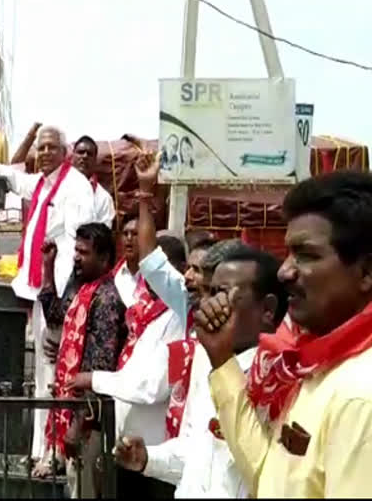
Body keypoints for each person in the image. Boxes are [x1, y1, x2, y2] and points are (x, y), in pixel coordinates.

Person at [197, 171, 372, 497]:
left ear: (366, 272)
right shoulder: (315, 364)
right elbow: (271, 481)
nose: (284, 271)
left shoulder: (360, 394)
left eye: (306, 255)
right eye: (289, 253)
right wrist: (221, 359)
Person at [116, 247, 287, 498]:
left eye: (220, 294)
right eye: (206, 292)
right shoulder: (209, 362)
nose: (205, 304)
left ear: (267, 310)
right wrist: (148, 458)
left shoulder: (282, 379)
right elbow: (197, 451)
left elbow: (265, 472)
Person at [0, 126, 96, 462]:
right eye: (41, 148)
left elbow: (80, 247)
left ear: (64, 152)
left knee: (56, 374)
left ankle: (56, 452)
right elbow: (17, 180)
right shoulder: (43, 182)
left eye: (52, 148)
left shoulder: (76, 187)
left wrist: (65, 300)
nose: (44, 153)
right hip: (43, 292)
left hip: (60, 296)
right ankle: (41, 448)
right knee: (43, 373)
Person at [69, 235, 187, 498]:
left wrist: (94, 379)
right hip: (129, 451)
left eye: (157, 270)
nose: (150, 278)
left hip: (154, 455)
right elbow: (130, 374)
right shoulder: (152, 316)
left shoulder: (181, 323)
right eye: (147, 271)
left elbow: (152, 386)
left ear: (177, 270)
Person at [36, 223, 127, 495]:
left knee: (85, 489)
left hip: (90, 421)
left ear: (104, 259)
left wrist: (79, 423)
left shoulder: (107, 298)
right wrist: (48, 267)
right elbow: (55, 315)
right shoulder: (81, 286)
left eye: (84, 252)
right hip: (71, 408)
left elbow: (99, 367)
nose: (76, 257)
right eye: (75, 250)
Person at [133, 151, 216, 321]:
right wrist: (145, 189)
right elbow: (150, 259)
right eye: (188, 269)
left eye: (198, 270)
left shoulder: (235, 321)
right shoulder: (184, 303)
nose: (187, 277)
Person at [71, 136, 116, 228]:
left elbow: (103, 234)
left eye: (89, 154)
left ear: (95, 160)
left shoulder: (104, 198)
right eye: (80, 152)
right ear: (72, 157)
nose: (84, 156)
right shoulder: (54, 187)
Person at [113, 211, 141, 307]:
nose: (129, 238)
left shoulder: (154, 278)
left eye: (135, 234)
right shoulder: (114, 276)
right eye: (125, 234)